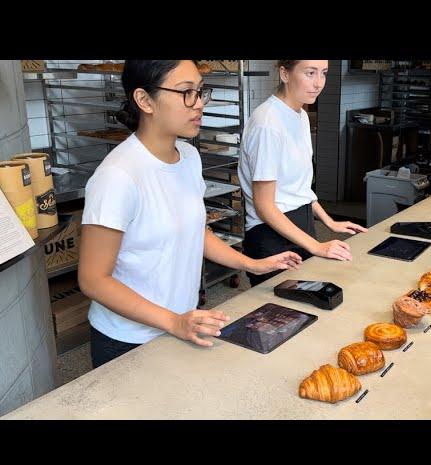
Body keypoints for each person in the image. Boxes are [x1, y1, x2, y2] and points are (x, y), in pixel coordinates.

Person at [78, 60, 302, 368]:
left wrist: (252, 264)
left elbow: (197, 231)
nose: (198, 104)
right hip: (127, 341)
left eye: (200, 91)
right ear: (145, 100)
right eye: (186, 93)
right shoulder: (117, 176)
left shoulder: (189, 156)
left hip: (182, 324)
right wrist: (172, 321)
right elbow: (93, 279)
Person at [239, 60, 368, 287]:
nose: (318, 83)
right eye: (309, 73)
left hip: (301, 227)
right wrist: (316, 246)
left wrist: (330, 222)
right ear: (284, 74)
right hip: (271, 236)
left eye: (323, 73)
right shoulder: (267, 124)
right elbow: (265, 206)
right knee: (284, 317)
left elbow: (299, 189)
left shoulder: (300, 115)